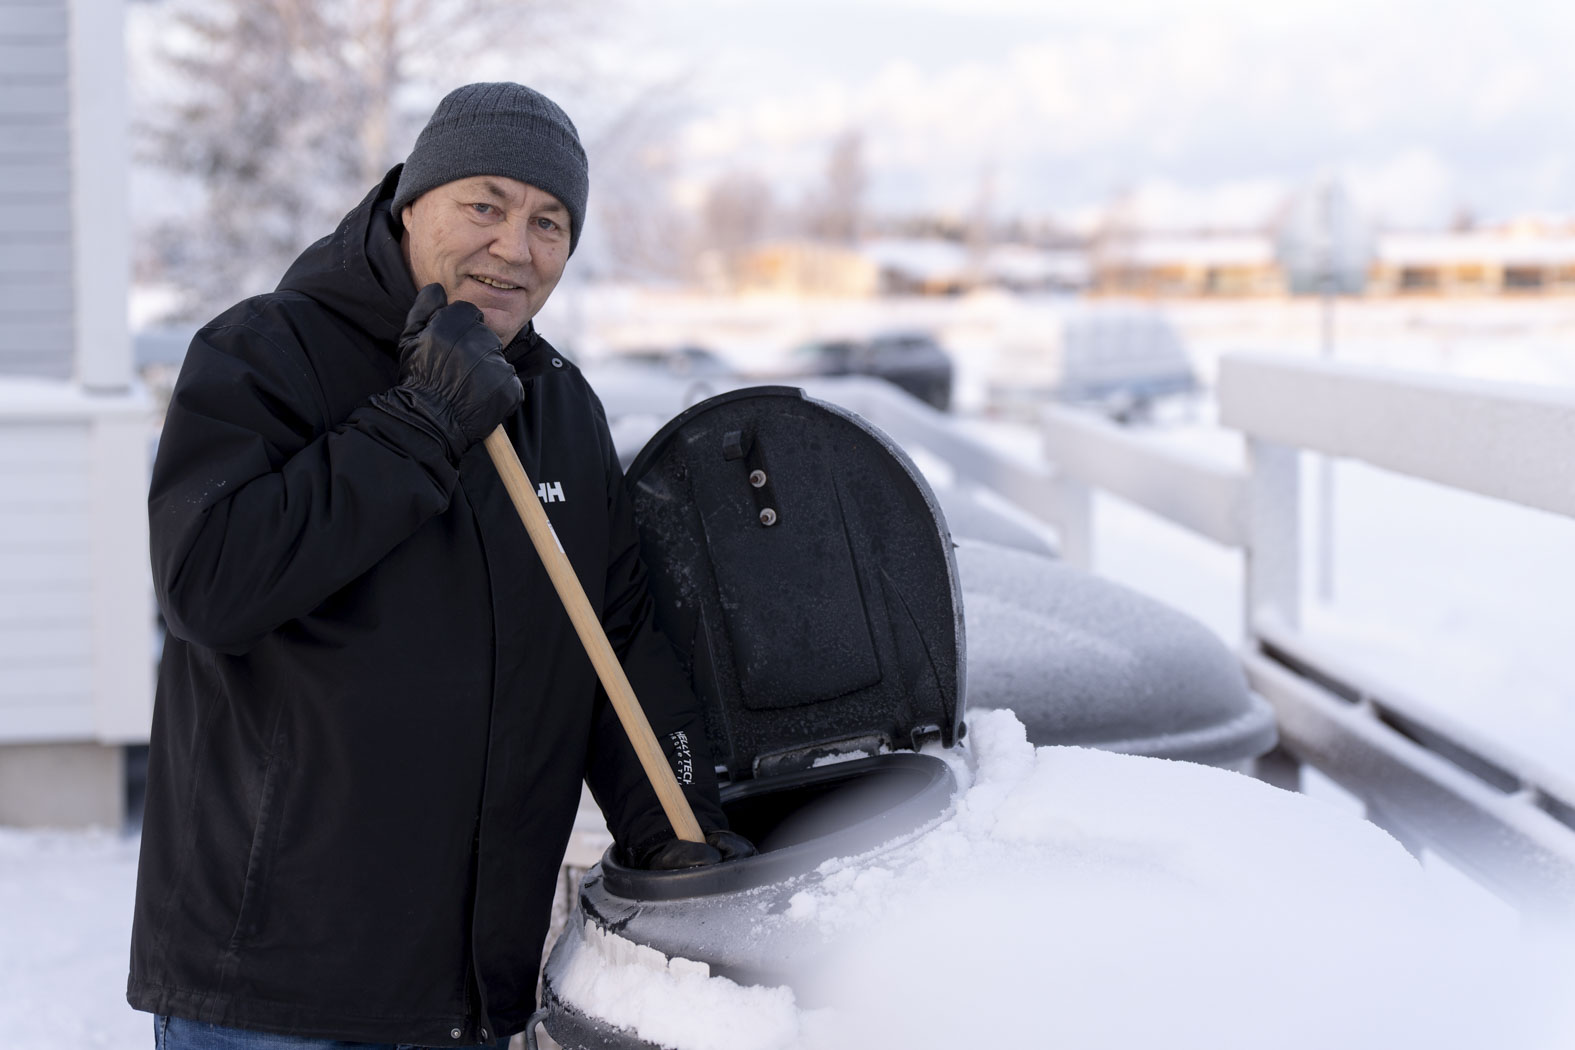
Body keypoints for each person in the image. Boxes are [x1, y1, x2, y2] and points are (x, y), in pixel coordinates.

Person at [129, 82, 752, 1049]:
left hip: (467, 993)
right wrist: (421, 420)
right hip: (278, 992)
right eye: (486, 205)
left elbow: (615, 646)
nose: (516, 247)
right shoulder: (268, 353)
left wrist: (676, 822)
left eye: (551, 222)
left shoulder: (559, 408)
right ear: (410, 202)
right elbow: (211, 584)